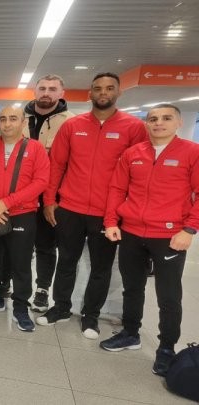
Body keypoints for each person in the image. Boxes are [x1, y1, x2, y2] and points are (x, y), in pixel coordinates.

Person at [37, 72, 148, 339]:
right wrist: (50, 200)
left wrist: (127, 210)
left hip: (107, 213)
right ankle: (61, 308)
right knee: (66, 261)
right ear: (90, 93)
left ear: (118, 92)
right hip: (70, 208)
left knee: (101, 268)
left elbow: (139, 172)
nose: (103, 93)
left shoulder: (133, 127)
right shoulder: (73, 126)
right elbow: (57, 165)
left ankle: (91, 316)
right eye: (98, 88)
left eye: (109, 88)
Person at [99, 104, 199, 377]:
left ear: (179, 122)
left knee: (169, 296)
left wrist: (190, 229)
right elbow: (117, 188)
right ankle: (130, 333)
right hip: (131, 233)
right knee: (132, 288)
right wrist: (111, 221)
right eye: (153, 119)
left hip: (169, 236)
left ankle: (166, 348)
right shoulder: (133, 153)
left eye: (166, 118)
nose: (158, 123)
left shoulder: (191, 152)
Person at [0, 105, 49, 331]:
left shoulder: (35, 148)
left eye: (13, 118)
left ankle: (21, 306)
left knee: (20, 263)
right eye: (3, 119)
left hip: (22, 214)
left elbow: (41, 182)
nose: (7, 123)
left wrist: (6, 203)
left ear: (23, 122)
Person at [23, 74, 75, 312]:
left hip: (51, 196)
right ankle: (8, 284)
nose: (46, 92)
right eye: (42, 88)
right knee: (16, 243)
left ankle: (42, 289)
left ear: (61, 93)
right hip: (20, 194)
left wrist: (54, 199)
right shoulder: (19, 118)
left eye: (52, 89)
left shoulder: (72, 122)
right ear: (35, 91)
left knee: (45, 245)